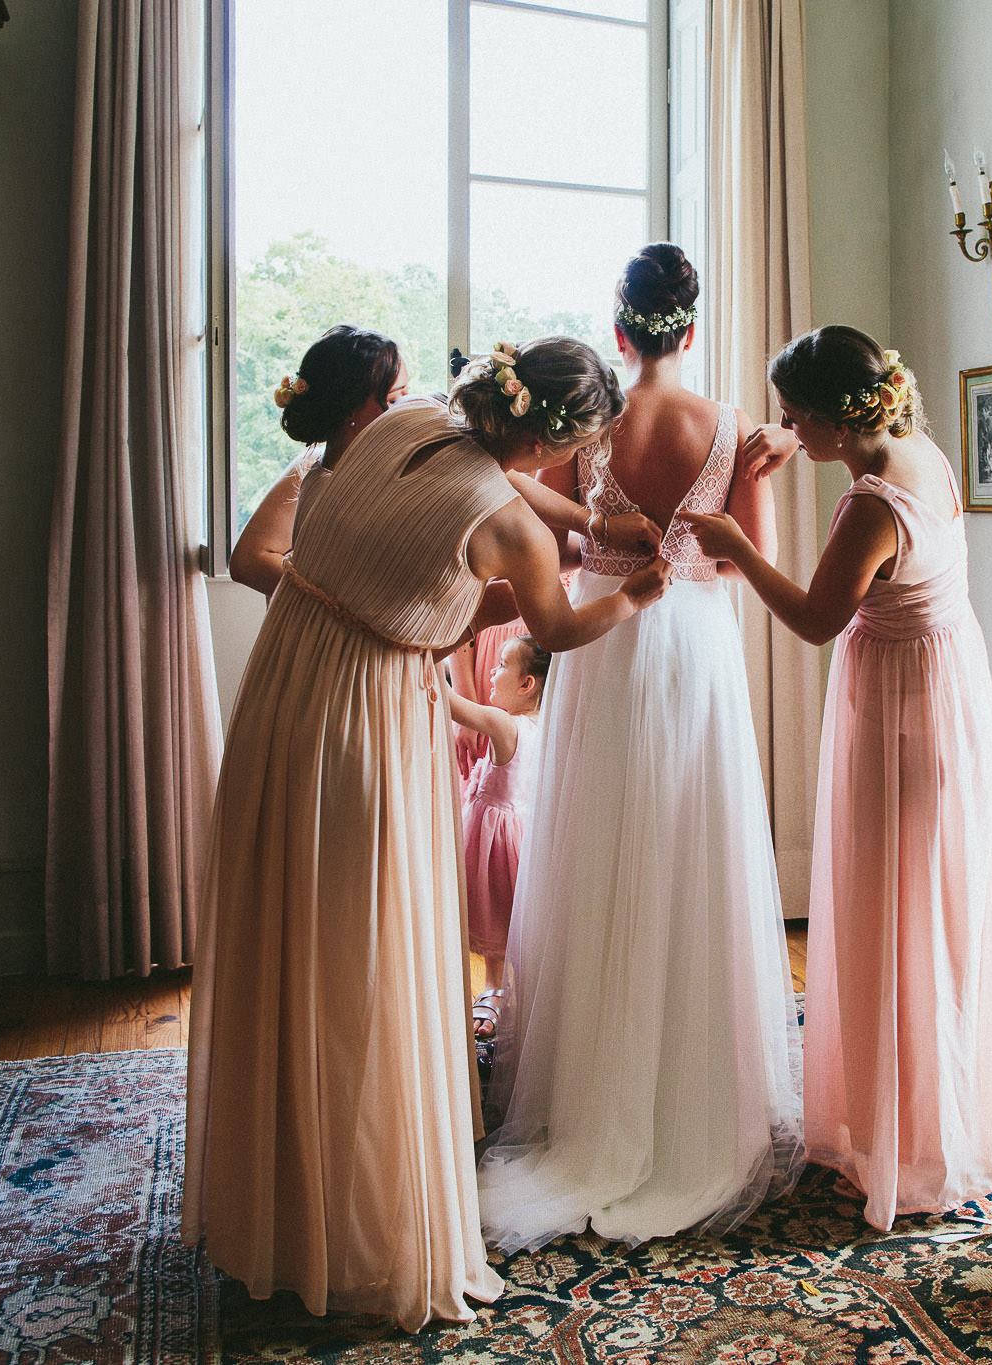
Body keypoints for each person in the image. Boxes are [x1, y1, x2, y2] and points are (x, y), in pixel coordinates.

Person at [184, 332, 668, 1329]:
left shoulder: (407, 426)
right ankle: (355, 1229)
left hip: (283, 691)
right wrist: (632, 593)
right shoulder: (510, 523)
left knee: (288, 945)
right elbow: (558, 628)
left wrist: (549, 544)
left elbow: (405, 586)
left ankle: (273, 1208)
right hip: (364, 718)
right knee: (363, 960)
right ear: (566, 437)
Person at [477, 243, 803, 1251]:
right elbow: (750, 563)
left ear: (619, 330)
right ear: (690, 329)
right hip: (694, 645)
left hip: (609, 637)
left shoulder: (595, 424)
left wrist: (602, 528)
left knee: (598, 844)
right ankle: (695, 1095)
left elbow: (559, 526)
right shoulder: (728, 427)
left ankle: (587, 1090)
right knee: (687, 840)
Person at [679, 326, 992, 1231]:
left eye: (794, 412)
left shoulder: (868, 507)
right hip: (947, 694)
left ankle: (902, 1135)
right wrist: (791, 445)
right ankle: (927, 1121)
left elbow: (815, 620)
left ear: (834, 417)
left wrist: (736, 547)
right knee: (932, 915)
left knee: (892, 914)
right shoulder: (923, 453)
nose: (783, 424)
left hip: (903, 716)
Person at [229, 326, 410, 598]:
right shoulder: (314, 467)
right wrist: (339, 611)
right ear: (351, 409)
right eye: (394, 399)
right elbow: (247, 561)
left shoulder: (403, 464)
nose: (410, 406)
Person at [447, 633, 550, 1039]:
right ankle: (508, 993)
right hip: (522, 835)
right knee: (509, 922)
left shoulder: (503, 724)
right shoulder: (544, 723)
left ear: (527, 684)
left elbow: (452, 704)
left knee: (493, 913)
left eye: (502, 665)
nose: (491, 671)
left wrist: (417, 657)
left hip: (493, 842)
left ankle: (494, 991)